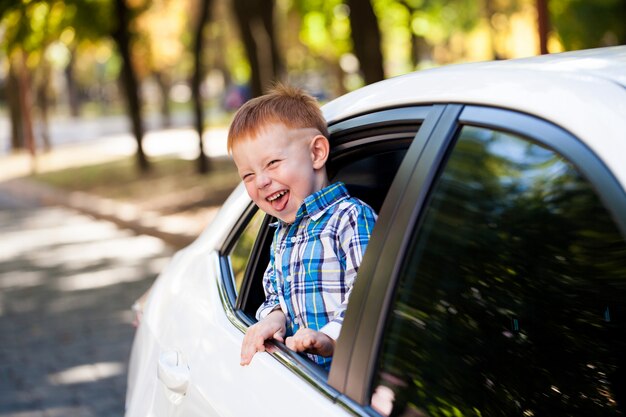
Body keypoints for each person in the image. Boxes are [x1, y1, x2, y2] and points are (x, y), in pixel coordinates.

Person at [228, 84, 377, 370]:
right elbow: (275, 292)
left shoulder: (350, 219)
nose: (260, 181)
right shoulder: (281, 233)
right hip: (304, 370)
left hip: (345, 374)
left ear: (317, 153)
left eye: (272, 163)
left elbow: (368, 298)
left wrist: (330, 338)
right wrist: (273, 319)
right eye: (248, 174)